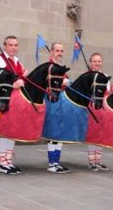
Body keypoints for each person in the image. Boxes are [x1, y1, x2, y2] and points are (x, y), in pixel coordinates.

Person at [0, 35, 28, 174]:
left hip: (15, 102)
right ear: (4, 46)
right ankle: (2, 163)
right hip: (2, 99)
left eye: (16, 45)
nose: (13, 47)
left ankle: (8, 160)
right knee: (3, 131)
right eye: (10, 45)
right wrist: (14, 84)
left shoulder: (17, 61)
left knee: (12, 130)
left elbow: (22, 77)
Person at [87, 52, 113, 171]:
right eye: (95, 61)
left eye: (99, 61)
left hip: (103, 108)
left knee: (100, 135)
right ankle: (92, 162)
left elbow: (107, 92)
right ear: (91, 63)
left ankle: (98, 161)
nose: (97, 63)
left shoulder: (105, 76)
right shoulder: (88, 76)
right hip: (92, 107)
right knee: (93, 134)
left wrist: (112, 89)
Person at [46, 42, 71, 173]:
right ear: (51, 52)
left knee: (59, 133)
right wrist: (63, 82)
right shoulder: (49, 67)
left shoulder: (60, 67)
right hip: (52, 101)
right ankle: (52, 164)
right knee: (54, 132)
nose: (60, 53)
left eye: (61, 51)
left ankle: (56, 162)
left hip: (62, 102)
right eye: (57, 51)